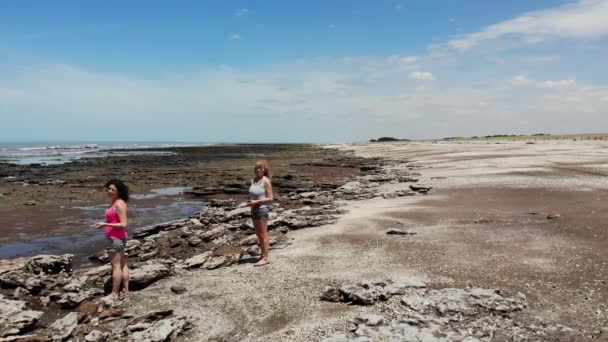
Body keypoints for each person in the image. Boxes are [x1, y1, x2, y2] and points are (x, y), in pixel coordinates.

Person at [94, 179, 130, 301]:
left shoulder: (119, 203)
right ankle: (125, 289)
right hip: (118, 238)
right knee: (122, 264)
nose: (109, 191)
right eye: (108, 189)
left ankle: (114, 294)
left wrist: (105, 224)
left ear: (118, 191)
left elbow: (124, 224)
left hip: (116, 239)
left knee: (116, 267)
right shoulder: (116, 202)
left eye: (112, 189)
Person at [247, 160, 273, 266]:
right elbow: (253, 194)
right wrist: (250, 202)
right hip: (254, 209)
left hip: (262, 210)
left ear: (265, 169)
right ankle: (263, 255)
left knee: (263, 234)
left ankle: (266, 258)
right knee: (258, 234)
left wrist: (256, 201)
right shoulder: (253, 180)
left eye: (261, 168)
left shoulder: (266, 181)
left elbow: (270, 198)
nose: (259, 170)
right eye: (257, 168)